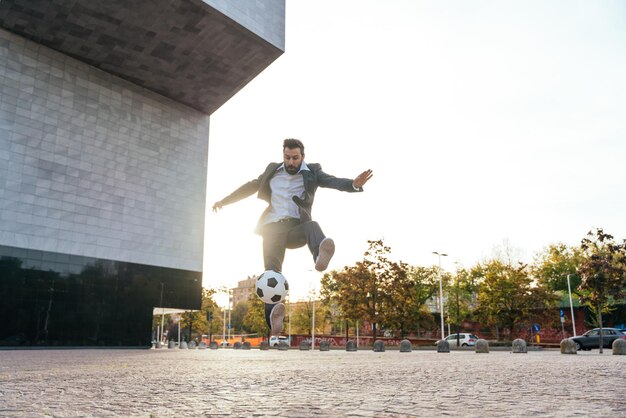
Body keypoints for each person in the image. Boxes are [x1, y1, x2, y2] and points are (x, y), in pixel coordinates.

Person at [212, 138, 373, 335]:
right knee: (271, 275)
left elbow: (331, 181)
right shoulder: (272, 169)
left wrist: (353, 184)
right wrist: (224, 201)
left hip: (295, 228)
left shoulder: (312, 171)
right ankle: (274, 321)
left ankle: (319, 256)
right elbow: (250, 186)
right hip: (271, 228)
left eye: (295, 158)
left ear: (302, 157)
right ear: (283, 155)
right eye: (287, 157)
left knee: (312, 226)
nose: (290, 162)